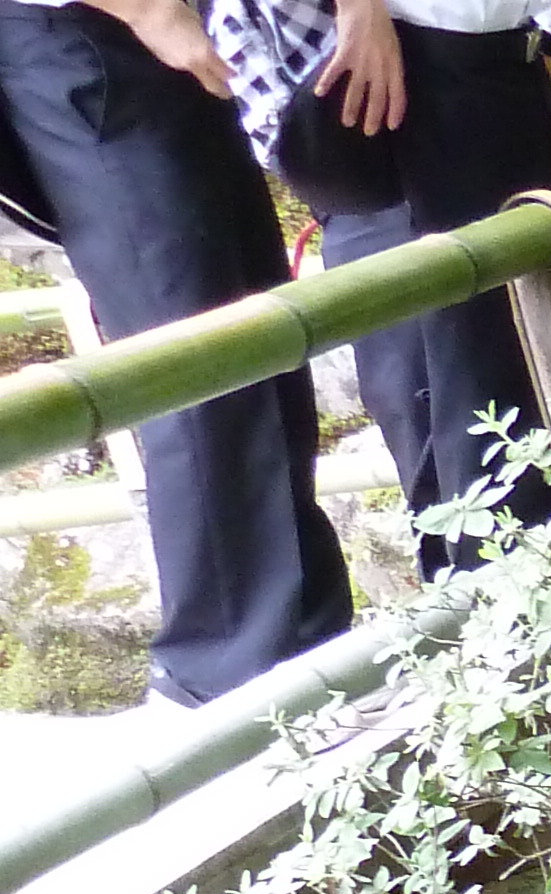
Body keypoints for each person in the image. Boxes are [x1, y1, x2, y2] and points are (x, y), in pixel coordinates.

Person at [0, 0, 353, 708]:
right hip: (90, 39)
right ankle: (219, 670)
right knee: (189, 351)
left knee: (260, 331)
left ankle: (307, 634)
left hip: (152, 44)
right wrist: (152, 11)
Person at [236, 0, 551, 574]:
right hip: (395, 84)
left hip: (499, 67)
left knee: (533, 381)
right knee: (442, 402)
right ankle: (487, 621)